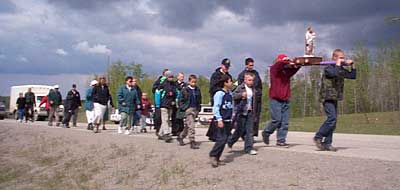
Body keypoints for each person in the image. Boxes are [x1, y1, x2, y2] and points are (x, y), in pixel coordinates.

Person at [314, 49, 356, 151]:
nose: (343, 59)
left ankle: (327, 143)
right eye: (341, 57)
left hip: (335, 97)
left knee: (334, 122)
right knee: (332, 118)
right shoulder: (328, 68)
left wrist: (353, 65)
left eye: (343, 57)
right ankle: (318, 137)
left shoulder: (340, 68)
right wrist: (338, 64)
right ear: (334, 58)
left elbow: (352, 76)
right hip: (327, 97)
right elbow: (335, 74)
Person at [262, 54, 301, 147]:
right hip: (275, 99)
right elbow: (278, 65)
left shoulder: (286, 72)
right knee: (276, 120)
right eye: (284, 61)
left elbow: (294, 69)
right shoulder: (274, 70)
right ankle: (266, 132)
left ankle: (281, 140)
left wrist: (297, 64)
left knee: (285, 122)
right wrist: (286, 61)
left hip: (285, 99)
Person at [227, 73, 258, 155]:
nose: (251, 82)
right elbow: (233, 96)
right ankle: (230, 142)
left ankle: (248, 148)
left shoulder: (254, 89)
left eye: (252, 80)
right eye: (249, 80)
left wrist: (255, 114)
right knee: (239, 131)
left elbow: (255, 102)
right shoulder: (240, 87)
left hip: (250, 112)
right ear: (245, 80)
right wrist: (241, 95)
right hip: (241, 112)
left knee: (250, 131)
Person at [209, 75, 233, 168]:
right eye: (230, 81)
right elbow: (216, 107)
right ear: (225, 83)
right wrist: (219, 119)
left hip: (228, 119)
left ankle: (217, 157)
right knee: (221, 139)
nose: (231, 83)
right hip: (221, 120)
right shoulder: (219, 94)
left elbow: (231, 107)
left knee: (225, 139)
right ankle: (213, 155)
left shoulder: (230, 94)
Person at [207, 58, 233, 141]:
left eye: (228, 66)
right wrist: (220, 91)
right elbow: (212, 87)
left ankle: (214, 134)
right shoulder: (216, 75)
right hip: (217, 96)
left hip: (226, 98)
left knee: (223, 115)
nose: (226, 68)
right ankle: (216, 134)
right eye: (225, 66)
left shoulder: (229, 76)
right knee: (217, 115)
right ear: (222, 65)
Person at [237, 58, 263, 136]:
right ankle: (244, 134)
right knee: (247, 117)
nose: (252, 66)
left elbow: (260, 85)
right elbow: (240, 87)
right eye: (250, 65)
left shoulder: (256, 73)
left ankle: (252, 134)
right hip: (247, 99)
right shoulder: (242, 74)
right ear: (246, 65)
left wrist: (259, 93)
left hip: (256, 98)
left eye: (252, 65)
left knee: (256, 116)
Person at [176, 74, 202, 149]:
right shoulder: (185, 90)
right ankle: (192, 140)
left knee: (188, 125)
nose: (194, 83)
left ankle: (181, 136)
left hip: (195, 108)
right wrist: (184, 107)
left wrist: (198, 108)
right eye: (192, 82)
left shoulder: (197, 89)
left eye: (195, 82)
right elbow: (181, 100)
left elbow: (199, 99)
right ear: (189, 81)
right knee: (191, 125)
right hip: (188, 109)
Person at [158, 70, 178, 143]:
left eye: (172, 76)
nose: (171, 78)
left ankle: (160, 133)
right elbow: (158, 91)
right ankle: (166, 133)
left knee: (166, 120)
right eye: (170, 77)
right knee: (165, 119)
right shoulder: (163, 84)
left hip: (171, 104)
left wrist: (174, 101)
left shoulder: (173, 84)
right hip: (164, 104)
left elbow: (175, 93)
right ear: (166, 77)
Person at [152, 69, 169, 137]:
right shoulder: (158, 81)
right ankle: (158, 129)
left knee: (166, 118)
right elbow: (154, 90)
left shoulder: (170, 82)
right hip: (159, 102)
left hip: (167, 102)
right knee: (158, 116)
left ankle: (162, 131)